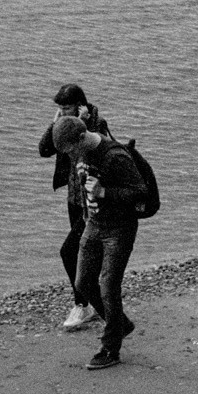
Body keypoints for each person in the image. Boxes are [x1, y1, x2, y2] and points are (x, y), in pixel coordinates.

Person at [49, 115, 145, 370]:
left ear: (82, 138)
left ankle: (110, 349)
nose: (71, 156)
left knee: (108, 287)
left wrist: (104, 192)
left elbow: (140, 191)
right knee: (83, 282)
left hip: (119, 229)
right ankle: (120, 324)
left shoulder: (115, 157)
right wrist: (86, 214)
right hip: (93, 224)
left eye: (71, 150)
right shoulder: (80, 151)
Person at [37, 84, 113, 332]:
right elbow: (44, 150)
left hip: (93, 200)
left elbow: (101, 150)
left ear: (80, 106)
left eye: (67, 108)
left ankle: (85, 304)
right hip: (74, 199)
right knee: (81, 252)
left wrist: (85, 125)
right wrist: (54, 124)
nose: (62, 112)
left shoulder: (97, 124)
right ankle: (92, 302)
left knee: (70, 252)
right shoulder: (62, 125)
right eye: (59, 108)